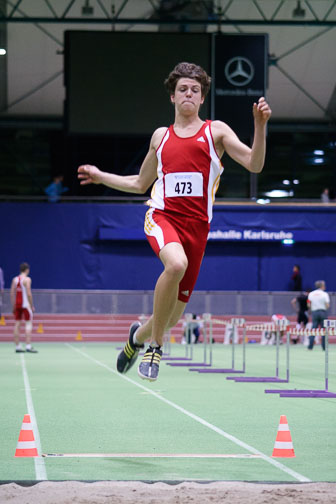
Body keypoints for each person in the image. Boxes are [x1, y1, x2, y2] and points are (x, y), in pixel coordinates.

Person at [78, 62, 271, 381]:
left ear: (202, 98)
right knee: (176, 265)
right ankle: (155, 347)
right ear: (172, 97)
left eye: (195, 90)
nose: (189, 94)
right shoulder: (160, 137)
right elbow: (140, 184)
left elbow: (254, 164)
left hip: (197, 230)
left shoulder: (216, 131)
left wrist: (260, 126)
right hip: (162, 217)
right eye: (183, 89)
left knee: (170, 317)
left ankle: (136, 338)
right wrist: (101, 177)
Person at [10, 263, 38, 353]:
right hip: (26, 305)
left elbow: (12, 293)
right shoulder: (27, 279)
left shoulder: (15, 279)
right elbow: (29, 293)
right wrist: (31, 305)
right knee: (28, 324)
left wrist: (13, 305)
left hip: (17, 304)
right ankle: (28, 346)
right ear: (26, 270)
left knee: (17, 324)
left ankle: (17, 346)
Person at [307, 280, 330, 351]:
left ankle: (310, 346)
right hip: (323, 312)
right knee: (324, 329)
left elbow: (308, 304)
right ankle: (324, 347)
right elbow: (327, 305)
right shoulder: (325, 294)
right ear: (322, 286)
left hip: (314, 312)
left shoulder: (311, 294)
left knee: (313, 329)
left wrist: (311, 310)